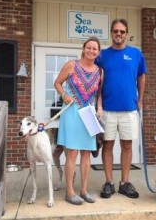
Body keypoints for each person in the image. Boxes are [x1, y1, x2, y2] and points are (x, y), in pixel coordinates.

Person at [95, 18, 147, 199]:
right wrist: (98, 104)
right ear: (111, 33)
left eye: (122, 31)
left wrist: (140, 101)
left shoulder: (136, 54)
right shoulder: (102, 56)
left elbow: (141, 78)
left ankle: (125, 182)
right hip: (108, 109)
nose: (119, 34)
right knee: (107, 145)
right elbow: (97, 83)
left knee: (127, 145)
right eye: (115, 31)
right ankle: (108, 182)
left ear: (126, 34)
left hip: (129, 108)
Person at [54, 36, 102, 205]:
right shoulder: (71, 65)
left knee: (87, 153)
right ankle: (69, 191)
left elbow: (98, 93)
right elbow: (57, 83)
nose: (91, 51)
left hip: (88, 114)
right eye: (88, 47)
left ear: (98, 52)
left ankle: (83, 190)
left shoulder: (99, 71)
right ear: (83, 48)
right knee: (72, 153)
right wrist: (64, 95)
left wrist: (100, 108)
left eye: (94, 49)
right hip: (72, 112)